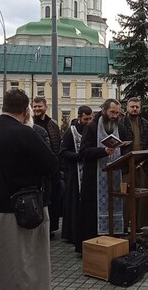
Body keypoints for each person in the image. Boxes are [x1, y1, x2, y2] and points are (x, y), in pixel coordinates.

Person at [0, 89, 60, 289]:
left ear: (3, 107)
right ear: (26, 110)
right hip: (24, 210)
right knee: (26, 264)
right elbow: (51, 166)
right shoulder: (25, 133)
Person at [76, 99, 131, 253]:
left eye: (117, 113)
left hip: (115, 177)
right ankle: (90, 247)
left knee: (114, 209)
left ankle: (113, 244)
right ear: (105, 110)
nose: (114, 116)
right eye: (112, 112)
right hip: (94, 179)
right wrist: (103, 151)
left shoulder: (120, 126)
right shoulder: (92, 127)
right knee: (91, 215)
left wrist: (126, 154)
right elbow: (84, 151)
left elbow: (126, 148)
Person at [58, 105, 92, 244]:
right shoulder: (69, 132)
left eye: (90, 118)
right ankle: (72, 234)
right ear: (79, 117)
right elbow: (63, 152)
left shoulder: (91, 130)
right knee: (73, 204)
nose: (88, 121)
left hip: (88, 172)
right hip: (73, 173)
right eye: (86, 119)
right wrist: (79, 156)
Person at [32, 97, 63, 237]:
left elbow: (57, 144)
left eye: (39, 106)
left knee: (53, 201)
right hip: (38, 170)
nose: (37, 109)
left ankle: (51, 228)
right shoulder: (30, 124)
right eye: (35, 106)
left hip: (53, 169)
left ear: (46, 106)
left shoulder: (52, 124)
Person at [122, 97, 148, 231]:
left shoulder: (145, 123)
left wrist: (142, 159)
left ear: (140, 109)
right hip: (125, 166)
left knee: (142, 196)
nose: (134, 109)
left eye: (137, 107)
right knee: (125, 196)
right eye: (132, 107)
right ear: (127, 108)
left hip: (142, 165)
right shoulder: (120, 123)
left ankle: (138, 224)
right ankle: (124, 224)